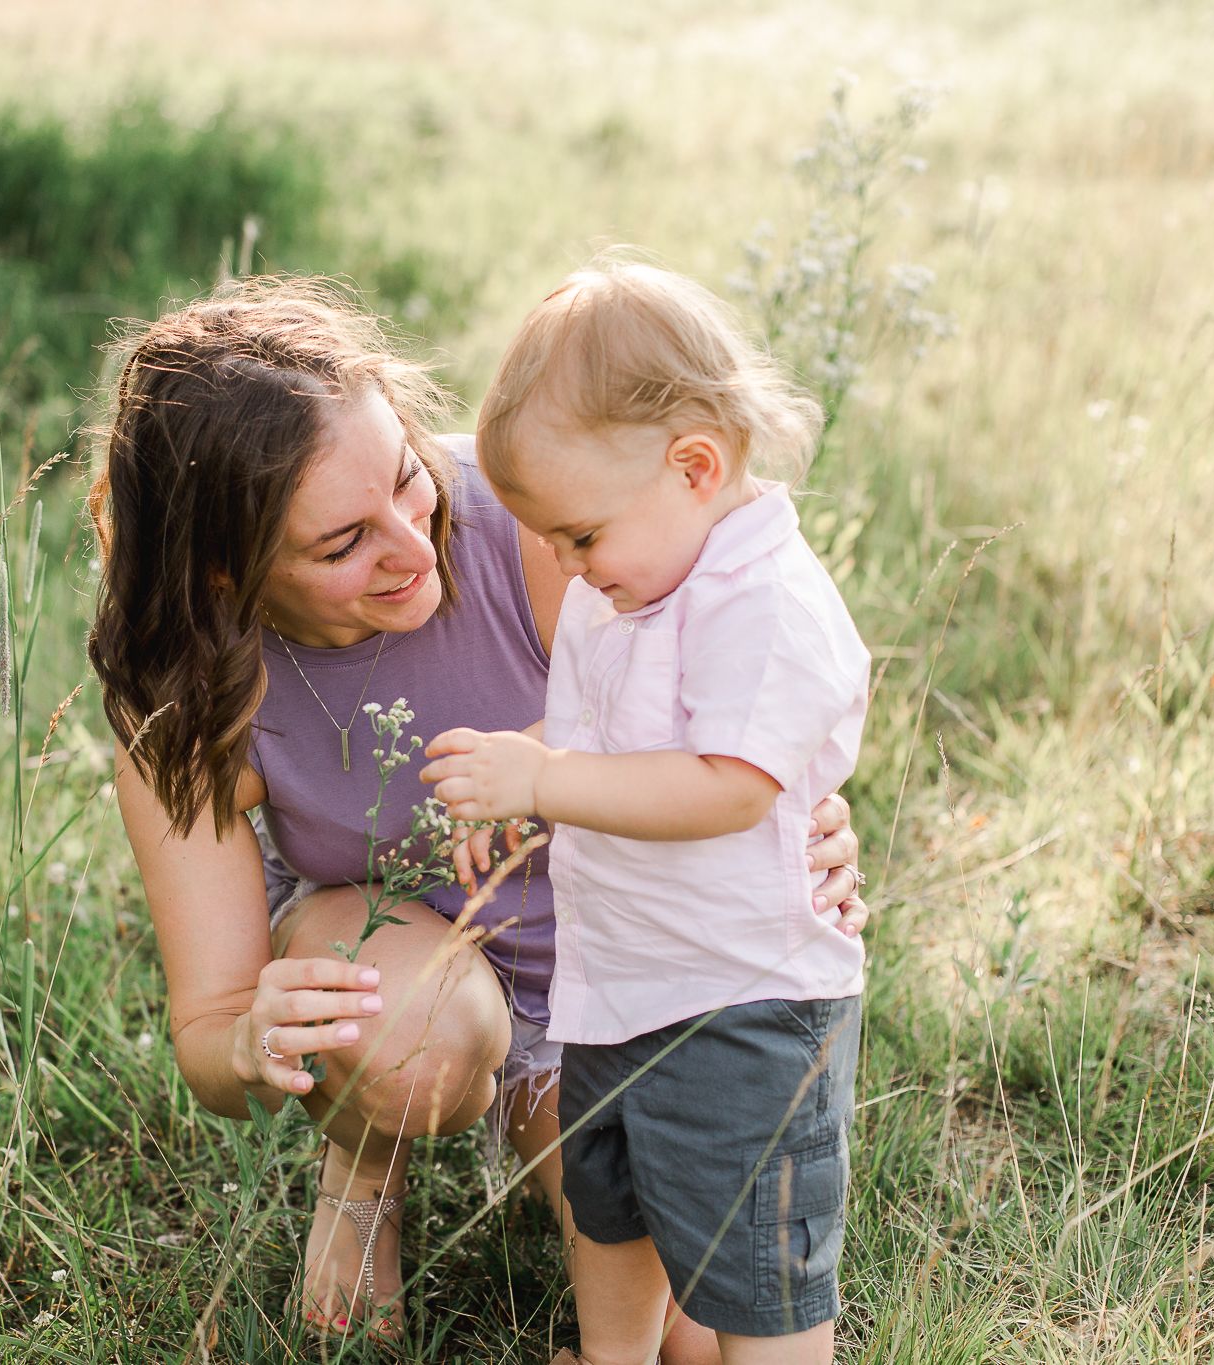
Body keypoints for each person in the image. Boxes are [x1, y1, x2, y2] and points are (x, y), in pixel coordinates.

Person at [86, 278, 868, 1349]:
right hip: (424, 962)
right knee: (408, 1047)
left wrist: (794, 815)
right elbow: (207, 1029)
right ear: (225, 572)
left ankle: (529, 1108)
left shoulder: (544, 516)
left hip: (631, 980)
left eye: (408, 480)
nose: (413, 546)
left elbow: (739, 691)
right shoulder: (191, 696)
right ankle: (363, 1172)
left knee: (694, 1337)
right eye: (341, 544)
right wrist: (252, 1039)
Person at [421, 259, 868, 1365]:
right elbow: (598, 746)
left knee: (756, 1267)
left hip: (743, 1003)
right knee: (607, 1209)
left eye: (580, 535)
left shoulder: (761, 603)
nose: (565, 566)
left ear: (694, 467)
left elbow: (725, 786)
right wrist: (515, 767)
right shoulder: (628, 587)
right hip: (620, 984)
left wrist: (545, 786)